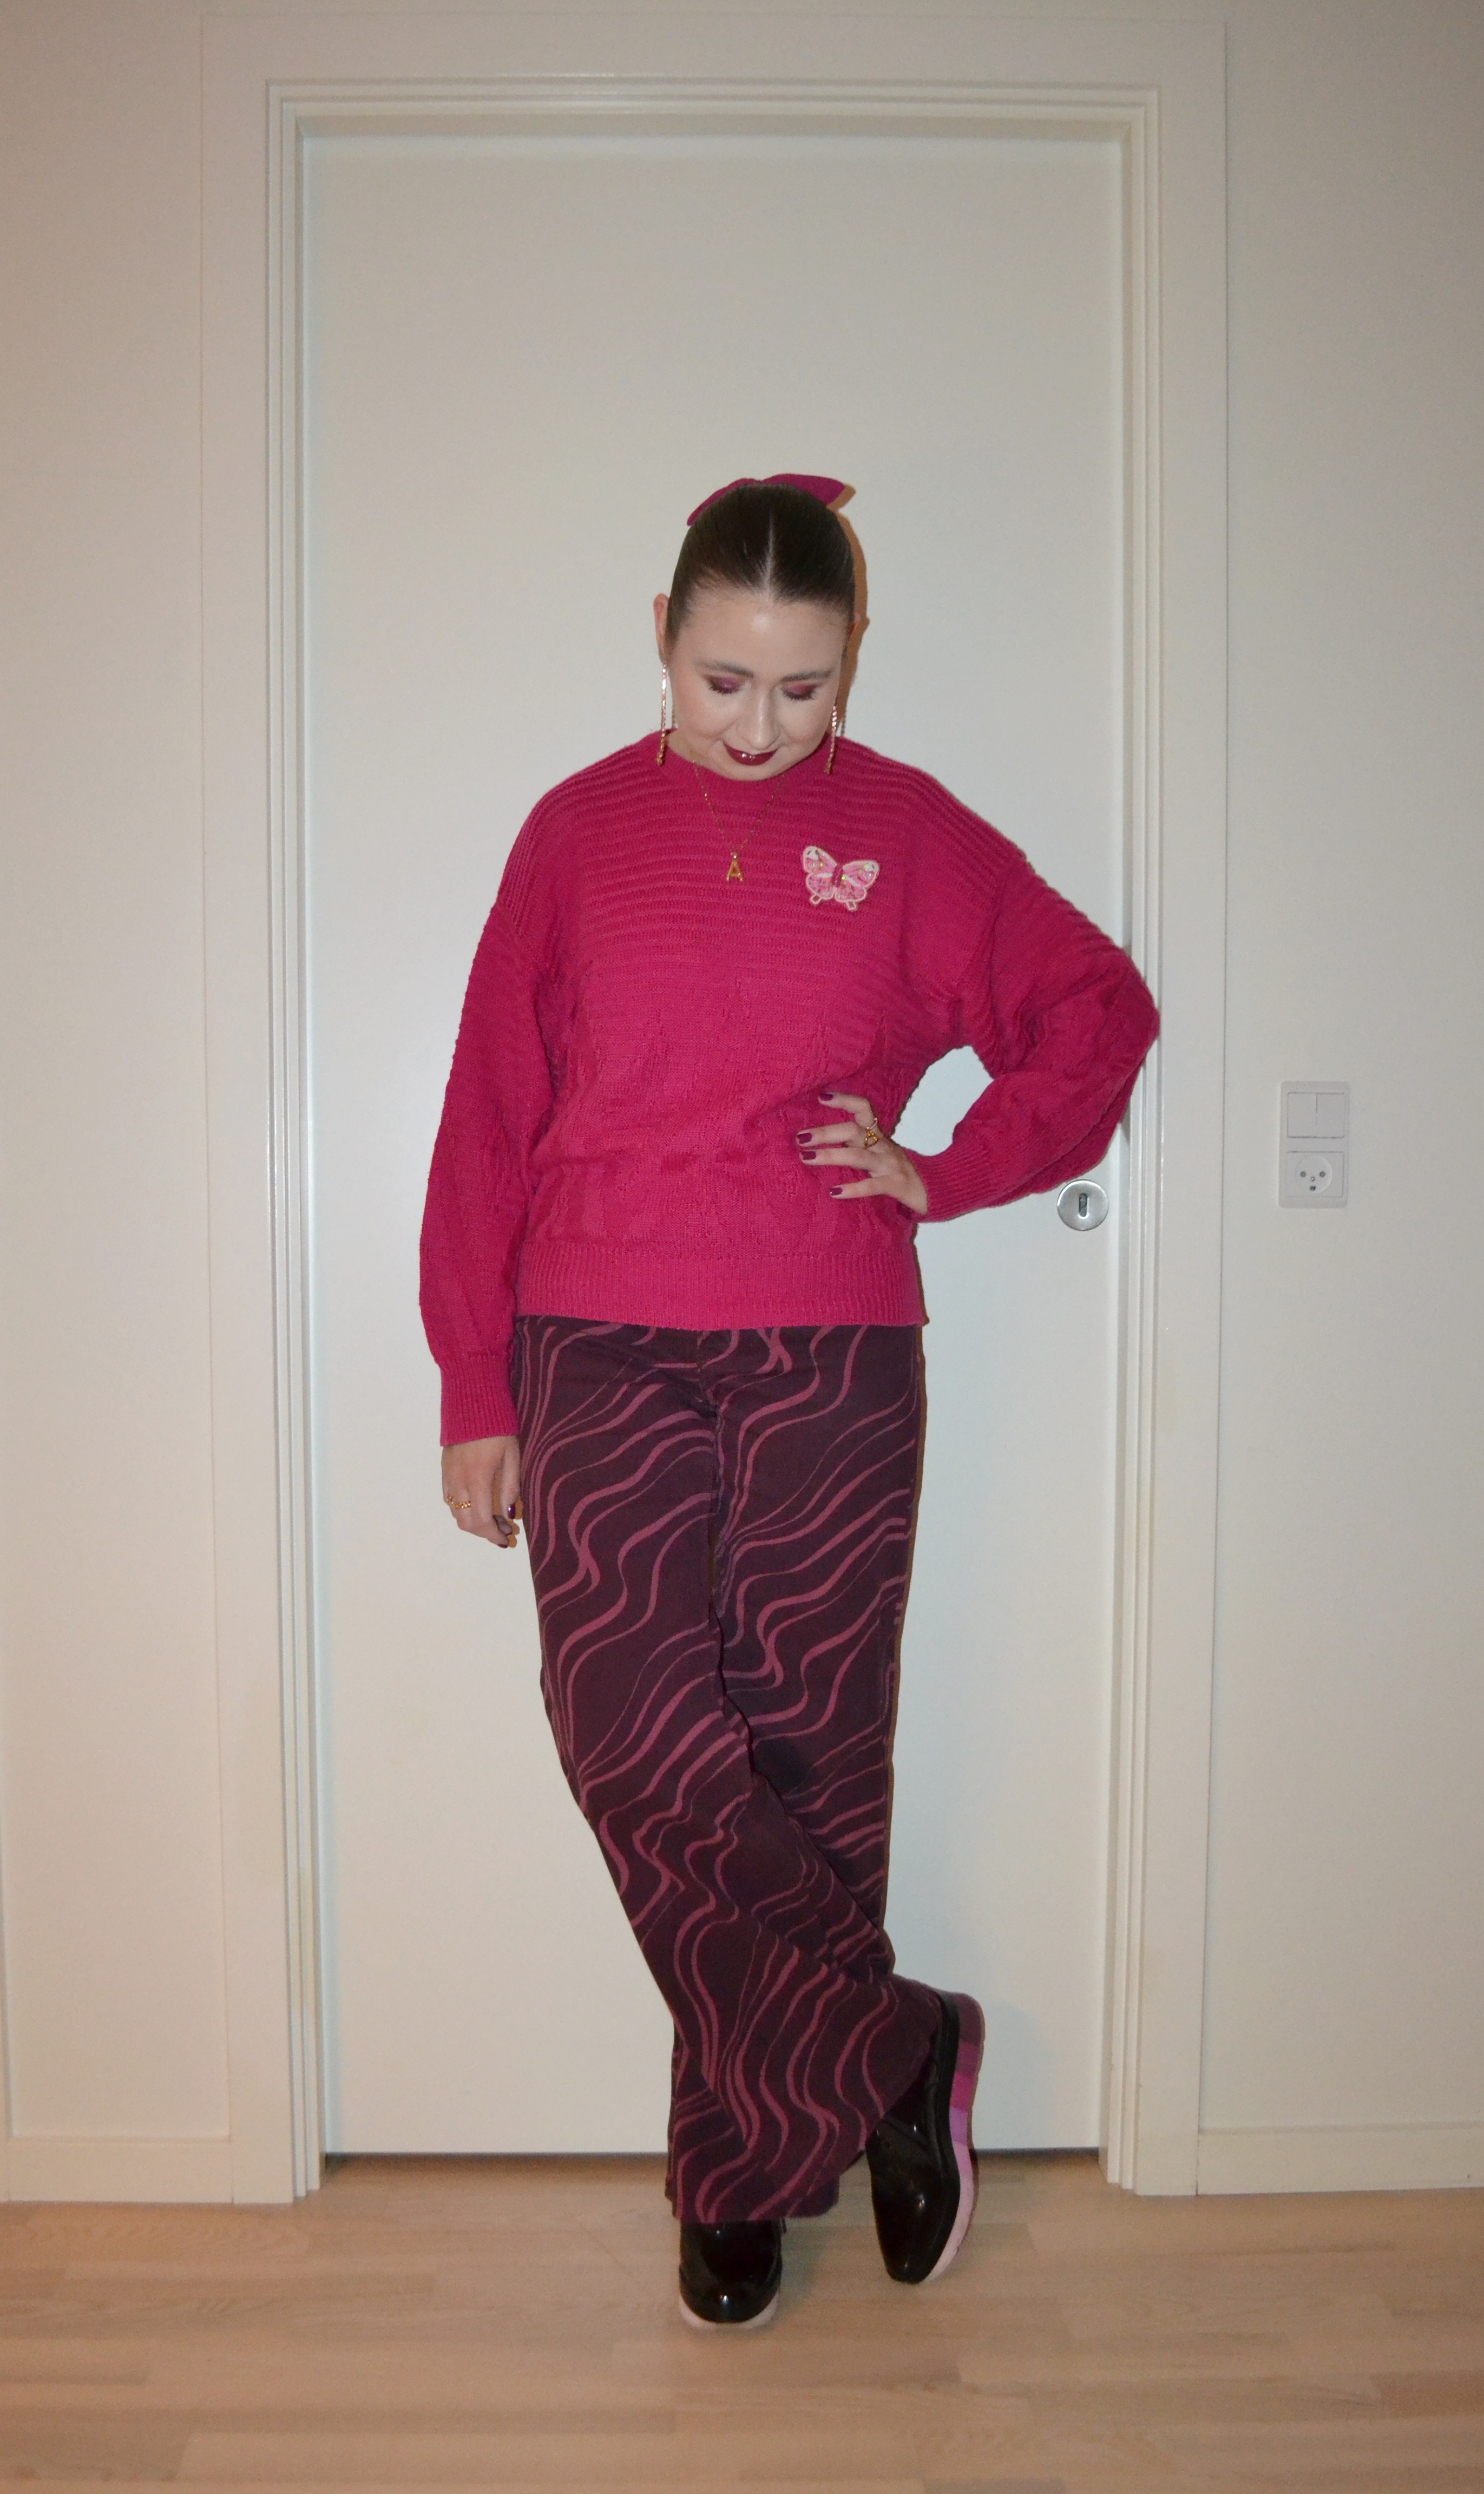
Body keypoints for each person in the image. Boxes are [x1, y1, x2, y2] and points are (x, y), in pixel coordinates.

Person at [420, 475, 1158, 2330]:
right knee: (632, 1738)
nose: (758, 729)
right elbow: (488, 1113)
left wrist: (946, 1171)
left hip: (832, 1348)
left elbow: (1096, 1008)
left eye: (805, 689)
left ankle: (741, 2168)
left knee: (809, 1760)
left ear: (855, 662)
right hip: (597, 1335)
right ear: (662, 636)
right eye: (723, 679)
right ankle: (900, 2047)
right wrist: (472, 1377)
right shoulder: (576, 834)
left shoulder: (905, 835)